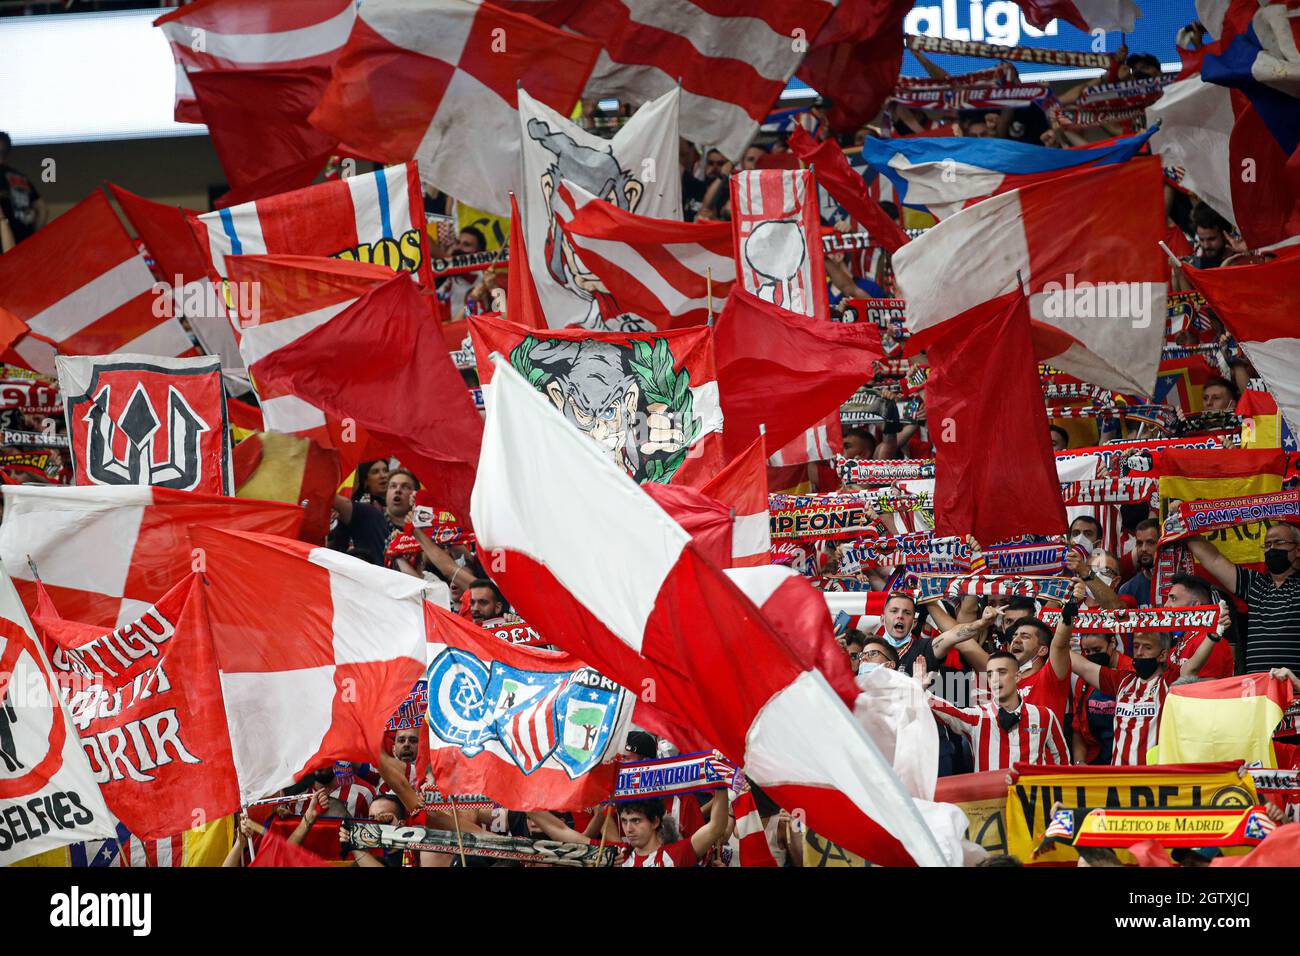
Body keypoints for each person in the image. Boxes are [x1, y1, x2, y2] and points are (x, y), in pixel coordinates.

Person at [1069, 628, 1219, 765]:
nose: (1139, 652)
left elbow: (1192, 667)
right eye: (1135, 646)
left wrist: (1213, 635)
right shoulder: (1122, 680)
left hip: (1153, 779)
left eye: (1147, 647)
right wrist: (1064, 629)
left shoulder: (1169, 681)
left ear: (1163, 655)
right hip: (1118, 778)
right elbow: (1081, 666)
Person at [926, 651, 1070, 772]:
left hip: (1031, 801)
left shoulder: (1044, 715)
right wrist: (920, 690)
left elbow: (1063, 763)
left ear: (1017, 676)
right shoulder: (978, 717)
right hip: (990, 803)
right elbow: (948, 711)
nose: (994, 679)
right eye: (989, 674)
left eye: (1002, 672)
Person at [1186, 522, 1300, 672]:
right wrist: (1184, 523)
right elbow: (1214, 560)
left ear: (1298, 550)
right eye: (1267, 545)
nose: (1272, 548)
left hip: (1295, 690)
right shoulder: (1255, 584)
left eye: (1279, 542)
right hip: (1257, 689)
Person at [333, 467, 418, 568]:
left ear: (415, 494)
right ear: (386, 492)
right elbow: (334, 500)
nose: (398, 490)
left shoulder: (424, 530)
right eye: (392, 486)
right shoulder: (370, 515)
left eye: (405, 487)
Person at [1070, 632, 1131, 764]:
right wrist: (1079, 762)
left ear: (1113, 643)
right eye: (1087, 651)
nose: (1092, 655)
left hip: (1126, 758)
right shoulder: (1083, 679)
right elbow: (1078, 729)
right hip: (1094, 758)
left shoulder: (1131, 672)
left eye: (1097, 650)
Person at [1164, 573, 1235, 678]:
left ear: (1195, 605)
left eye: (1173, 599)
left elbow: (1209, 688)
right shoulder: (1179, 644)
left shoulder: (1212, 643)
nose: (1166, 605)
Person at [0, 132, 47, 243]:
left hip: (5, 247)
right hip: (24, 247)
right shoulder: (20, 177)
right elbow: (43, 209)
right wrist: (33, 239)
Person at [1118, 519, 1160, 607]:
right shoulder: (1127, 589)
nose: (1143, 548)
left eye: (1150, 543)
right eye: (1140, 543)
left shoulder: (1180, 585)